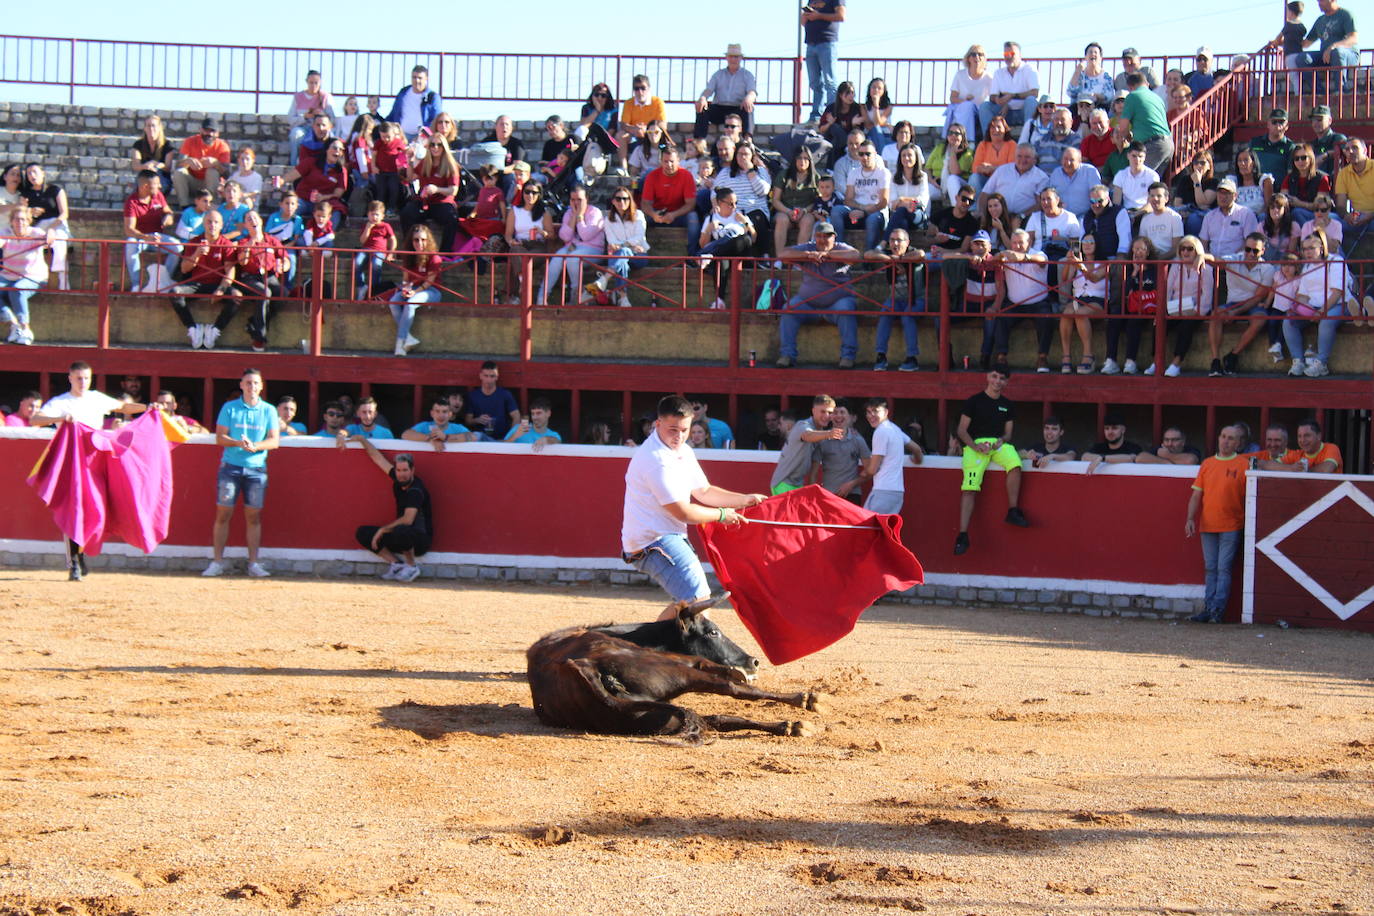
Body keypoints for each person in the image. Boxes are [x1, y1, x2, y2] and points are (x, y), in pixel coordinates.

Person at [621, 395, 764, 617]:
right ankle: (648, 648)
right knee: (695, 599)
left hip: (665, 536)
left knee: (696, 602)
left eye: (684, 430)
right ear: (657, 424)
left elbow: (703, 491)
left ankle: (650, 648)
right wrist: (722, 514)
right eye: (673, 429)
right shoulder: (655, 460)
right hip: (652, 540)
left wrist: (744, 499)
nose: (679, 436)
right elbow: (683, 511)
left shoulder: (683, 451)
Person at [29, 362, 146, 580]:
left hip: (95, 462)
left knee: (96, 510)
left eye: (86, 378)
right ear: (70, 378)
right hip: (71, 464)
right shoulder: (61, 402)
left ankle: (79, 554)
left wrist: (147, 408)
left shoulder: (96, 398)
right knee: (74, 511)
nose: (83, 382)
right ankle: (73, 562)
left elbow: (122, 407)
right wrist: (60, 419)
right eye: (79, 378)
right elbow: (35, 420)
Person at [203, 368, 278, 579]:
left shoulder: (268, 410)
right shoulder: (230, 407)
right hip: (231, 466)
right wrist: (238, 443)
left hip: (256, 468)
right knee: (223, 513)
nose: (252, 387)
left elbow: (274, 441)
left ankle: (253, 562)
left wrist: (255, 446)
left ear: (261, 386)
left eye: (255, 383)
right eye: (248, 383)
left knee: (253, 516)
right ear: (241, 385)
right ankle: (217, 561)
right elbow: (220, 438)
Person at [953, 366, 1029, 556]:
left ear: (1006, 382)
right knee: (969, 488)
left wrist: (1001, 441)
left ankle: (1013, 510)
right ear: (987, 377)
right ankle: (962, 535)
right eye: (994, 376)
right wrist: (974, 446)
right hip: (975, 445)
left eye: (1002, 378)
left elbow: (1008, 434)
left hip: (997, 444)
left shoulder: (1008, 404)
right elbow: (961, 431)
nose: (997, 381)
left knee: (1015, 464)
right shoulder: (974, 401)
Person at [1184, 425, 1248, 624]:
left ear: (1238, 443)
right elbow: (1196, 494)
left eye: (1231, 438)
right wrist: (1190, 518)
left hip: (1232, 524)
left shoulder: (1243, 464)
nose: (1225, 441)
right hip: (1208, 524)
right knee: (1212, 567)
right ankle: (1210, 608)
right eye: (1223, 436)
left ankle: (1217, 609)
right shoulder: (1208, 463)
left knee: (1222, 568)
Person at [777, 222, 861, 369]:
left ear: (834, 237)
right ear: (814, 237)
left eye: (827, 236)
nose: (822, 240)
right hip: (807, 303)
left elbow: (856, 255)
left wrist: (828, 255)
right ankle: (787, 355)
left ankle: (848, 356)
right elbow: (782, 254)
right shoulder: (808, 247)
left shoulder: (841, 247)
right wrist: (808, 255)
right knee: (788, 308)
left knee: (846, 309)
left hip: (838, 302)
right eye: (819, 236)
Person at [348, 437, 432, 583]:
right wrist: (362, 439)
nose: (401, 474)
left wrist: (383, 530)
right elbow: (378, 459)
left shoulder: (415, 490)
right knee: (363, 532)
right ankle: (397, 564)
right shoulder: (399, 479)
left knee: (401, 529)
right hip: (401, 537)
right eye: (398, 470)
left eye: (405, 470)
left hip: (419, 540)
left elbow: (408, 519)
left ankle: (411, 566)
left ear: (412, 470)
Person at [1206, 232, 1279, 376]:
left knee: (1260, 320)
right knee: (1215, 315)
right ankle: (1215, 360)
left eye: (1255, 250)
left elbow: (1258, 298)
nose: (1251, 253)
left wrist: (1235, 312)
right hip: (1232, 303)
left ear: (1263, 251)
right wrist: (1202, 256)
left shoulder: (1268, 269)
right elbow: (1215, 259)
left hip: (1253, 305)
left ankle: (1233, 355)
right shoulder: (1234, 259)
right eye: (1248, 249)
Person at [168, 209, 237, 350]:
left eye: (216, 222)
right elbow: (184, 269)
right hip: (197, 283)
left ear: (221, 225)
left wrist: (221, 289)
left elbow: (230, 270)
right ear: (204, 224)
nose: (212, 225)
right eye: (209, 222)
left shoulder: (226, 244)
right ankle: (192, 329)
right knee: (174, 292)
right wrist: (196, 254)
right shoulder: (194, 242)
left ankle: (215, 331)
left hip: (217, 284)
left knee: (236, 296)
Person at [1285, 231, 1347, 378]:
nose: (1308, 252)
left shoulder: (1336, 261)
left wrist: (1321, 312)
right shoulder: (1306, 267)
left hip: (1338, 305)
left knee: (1326, 321)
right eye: (1305, 249)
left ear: (1321, 248)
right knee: (1288, 321)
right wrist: (1295, 308)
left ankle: (1321, 364)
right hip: (1313, 308)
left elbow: (1337, 292)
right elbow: (1303, 295)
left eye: (1311, 248)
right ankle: (1298, 361)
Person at [993, 228, 1055, 372]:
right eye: (1014, 243)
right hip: (1014, 303)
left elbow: (1041, 261)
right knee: (1000, 318)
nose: (1017, 246)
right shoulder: (1008, 255)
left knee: (1047, 318)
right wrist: (1001, 255)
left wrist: (1022, 257)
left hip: (1039, 302)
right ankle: (1001, 357)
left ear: (1029, 242)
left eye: (1021, 242)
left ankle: (1042, 357)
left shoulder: (1038, 253)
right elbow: (994, 259)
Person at [866, 228, 925, 372]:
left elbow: (921, 254)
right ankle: (881, 356)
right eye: (892, 240)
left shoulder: (913, 253)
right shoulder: (889, 254)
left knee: (907, 316)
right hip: (895, 300)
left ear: (907, 242)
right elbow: (868, 254)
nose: (895, 243)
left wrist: (900, 260)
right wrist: (890, 259)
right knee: (884, 314)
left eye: (899, 240)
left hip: (916, 300)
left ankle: (912, 358)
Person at [0, 207, 57, 345]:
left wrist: (50, 232)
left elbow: (49, 239)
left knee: (17, 290)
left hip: (33, 276)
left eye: (23, 219)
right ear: (11, 221)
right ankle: (13, 324)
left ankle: (25, 328)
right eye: (17, 219)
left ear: (29, 221)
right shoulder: (6, 232)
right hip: (8, 275)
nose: (20, 222)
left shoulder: (35, 233)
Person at [539, 185, 604, 306]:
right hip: (574, 248)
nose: (576, 203)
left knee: (573, 258)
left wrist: (579, 216)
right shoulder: (569, 213)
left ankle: (576, 295)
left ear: (587, 199)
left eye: (579, 199)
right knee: (556, 259)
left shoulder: (595, 212)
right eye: (573, 200)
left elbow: (586, 236)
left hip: (593, 249)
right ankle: (542, 298)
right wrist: (573, 216)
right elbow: (564, 236)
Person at [697, 187, 756, 311]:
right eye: (730, 204)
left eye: (736, 203)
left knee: (744, 239)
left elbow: (753, 238)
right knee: (721, 260)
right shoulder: (712, 218)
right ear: (719, 203)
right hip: (724, 256)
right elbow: (703, 244)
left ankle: (711, 255)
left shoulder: (741, 215)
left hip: (741, 253)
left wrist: (745, 223)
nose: (734, 207)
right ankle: (719, 300)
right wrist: (708, 230)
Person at [235, 211, 286, 353]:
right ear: (245, 225)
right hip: (250, 277)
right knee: (264, 293)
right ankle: (260, 337)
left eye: (254, 218)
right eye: (248, 219)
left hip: (269, 276)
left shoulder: (272, 240)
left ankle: (254, 322)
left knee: (283, 293)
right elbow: (242, 262)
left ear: (261, 221)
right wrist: (249, 247)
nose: (252, 220)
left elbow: (284, 258)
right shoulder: (243, 242)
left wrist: (283, 265)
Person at [388, 224, 443, 357]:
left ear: (428, 240)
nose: (419, 243)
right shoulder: (409, 256)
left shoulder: (434, 257)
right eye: (416, 240)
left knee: (411, 303)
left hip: (431, 291)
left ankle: (399, 343)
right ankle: (409, 337)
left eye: (423, 240)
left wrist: (414, 292)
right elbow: (406, 279)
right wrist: (405, 288)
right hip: (414, 289)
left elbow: (429, 282)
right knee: (393, 302)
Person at [771, 395, 842, 494]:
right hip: (783, 483)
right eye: (822, 411)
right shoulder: (802, 425)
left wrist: (811, 492)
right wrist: (829, 434)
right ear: (813, 411)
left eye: (830, 412)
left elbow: (814, 468)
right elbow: (807, 435)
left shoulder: (821, 434)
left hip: (798, 485)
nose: (826, 416)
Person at [861, 398, 922, 514]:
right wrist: (917, 460)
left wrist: (865, 472)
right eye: (868, 412)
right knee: (886, 530)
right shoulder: (895, 429)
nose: (871, 415)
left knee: (869, 528)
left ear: (886, 412)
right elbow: (917, 450)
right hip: (897, 492)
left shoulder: (880, 432)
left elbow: (873, 469)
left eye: (875, 411)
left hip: (883, 490)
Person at [1058, 233, 1106, 373]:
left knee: (1080, 314)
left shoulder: (1103, 263)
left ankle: (1088, 355)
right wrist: (1069, 262)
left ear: (1097, 245)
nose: (1087, 244)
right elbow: (1065, 278)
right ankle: (1066, 356)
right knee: (1066, 313)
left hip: (1098, 299)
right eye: (1084, 241)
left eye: (1091, 241)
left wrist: (1082, 267)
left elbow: (1095, 278)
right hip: (1078, 299)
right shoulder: (1077, 261)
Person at [642, 147, 701, 251]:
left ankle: (692, 254)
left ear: (678, 160)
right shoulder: (652, 176)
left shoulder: (686, 176)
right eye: (665, 161)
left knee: (693, 217)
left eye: (672, 161)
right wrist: (654, 215)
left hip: (679, 215)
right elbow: (645, 203)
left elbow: (691, 204)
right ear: (661, 162)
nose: (669, 165)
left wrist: (673, 215)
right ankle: (641, 251)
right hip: (658, 214)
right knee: (639, 218)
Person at [812, 401, 871, 505]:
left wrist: (852, 484)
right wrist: (812, 496)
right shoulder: (822, 440)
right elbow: (814, 473)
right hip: (828, 495)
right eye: (835, 412)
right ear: (830, 416)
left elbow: (870, 471)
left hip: (852, 494)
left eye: (842, 412)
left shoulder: (858, 440)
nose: (838, 415)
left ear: (850, 417)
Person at [695, 44, 756, 139]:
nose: (733, 59)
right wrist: (702, 98)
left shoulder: (747, 75)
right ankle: (699, 140)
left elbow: (752, 92)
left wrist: (748, 98)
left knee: (748, 108)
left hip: (737, 109)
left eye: (736, 57)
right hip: (719, 109)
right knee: (702, 107)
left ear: (741, 58)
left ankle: (748, 139)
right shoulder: (718, 74)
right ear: (726, 58)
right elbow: (708, 90)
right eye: (731, 56)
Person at [801, 0, 846, 126]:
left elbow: (841, 16)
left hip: (827, 42)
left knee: (829, 81)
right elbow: (803, 22)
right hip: (811, 43)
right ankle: (816, 114)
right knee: (815, 82)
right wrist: (806, 15)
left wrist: (818, 15)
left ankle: (832, 113)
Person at [770, 146, 821, 256]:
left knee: (808, 220)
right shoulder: (784, 175)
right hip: (785, 211)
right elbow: (775, 200)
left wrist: (804, 211)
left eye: (805, 158)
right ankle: (780, 257)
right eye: (799, 158)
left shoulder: (815, 178)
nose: (802, 161)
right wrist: (788, 211)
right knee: (782, 219)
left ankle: (799, 258)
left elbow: (818, 201)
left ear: (810, 161)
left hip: (805, 212)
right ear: (794, 160)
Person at [1300, 0, 1359, 92]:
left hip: (1347, 55)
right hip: (1326, 57)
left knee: (1337, 52)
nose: (1319, 3)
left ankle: (1340, 91)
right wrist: (1285, 41)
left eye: (1322, 1)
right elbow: (1306, 43)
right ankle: (1319, 92)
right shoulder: (1320, 20)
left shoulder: (1345, 15)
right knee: (1302, 58)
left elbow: (1353, 38)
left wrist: (1333, 46)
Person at [979, 41, 1039, 130]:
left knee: (1031, 101)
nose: (1008, 56)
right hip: (1005, 113)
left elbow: (1034, 93)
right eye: (1006, 53)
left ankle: (1029, 138)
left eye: (1012, 53)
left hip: (1023, 112)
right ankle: (987, 141)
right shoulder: (998, 73)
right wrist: (1001, 102)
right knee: (985, 106)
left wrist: (1012, 96)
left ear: (1020, 55)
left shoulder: (1030, 69)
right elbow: (992, 96)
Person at [172, 118, 230, 208]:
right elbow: (177, 166)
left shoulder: (223, 146)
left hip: (210, 184)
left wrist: (216, 164)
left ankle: (211, 204)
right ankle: (184, 205)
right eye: (206, 130)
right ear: (201, 130)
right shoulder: (190, 141)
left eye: (213, 131)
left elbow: (227, 174)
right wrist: (187, 161)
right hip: (192, 182)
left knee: (212, 171)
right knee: (179, 172)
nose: (209, 134)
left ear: (218, 133)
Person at [980, 144, 1048, 219]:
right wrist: (983, 215)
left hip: (1024, 219)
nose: (1023, 160)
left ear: (1035, 160)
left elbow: (1040, 204)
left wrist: (1022, 216)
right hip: (997, 216)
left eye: (1027, 157)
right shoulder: (1002, 170)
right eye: (1019, 156)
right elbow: (985, 193)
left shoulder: (1042, 178)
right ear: (1014, 157)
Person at [944, 44, 993, 140]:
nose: (977, 57)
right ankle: (966, 140)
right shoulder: (960, 75)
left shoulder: (989, 78)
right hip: (961, 109)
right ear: (968, 58)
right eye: (974, 54)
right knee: (967, 106)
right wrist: (965, 101)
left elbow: (993, 98)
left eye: (980, 54)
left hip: (978, 112)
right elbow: (953, 98)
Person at [1334, 137, 1374, 255]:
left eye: (1355, 148)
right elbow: (1340, 205)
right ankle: (1341, 266)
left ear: (1365, 151)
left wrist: (1370, 215)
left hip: (1373, 216)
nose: (1350, 151)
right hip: (1356, 218)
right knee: (1329, 221)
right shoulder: (1343, 173)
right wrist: (1347, 216)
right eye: (1347, 149)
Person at [617, 75, 668, 167]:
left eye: (643, 88)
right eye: (636, 89)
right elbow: (624, 125)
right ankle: (624, 168)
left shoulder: (658, 102)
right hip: (635, 136)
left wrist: (646, 129)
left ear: (648, 89)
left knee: (659, 136)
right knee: (620, 135)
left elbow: (662, 124)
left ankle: (661, 167)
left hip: (652, 135)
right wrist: (635, 129)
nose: (640, 92)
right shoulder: (628, 103)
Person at [466, 360, 521, 441]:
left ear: (497, 377)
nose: (489, 380)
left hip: (502, 440)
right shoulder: (473, 396)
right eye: (486, 376)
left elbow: (516, 416)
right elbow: (468, 420)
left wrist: (510, 438)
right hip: (481, 440)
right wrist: (477, 420)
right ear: (480, 376)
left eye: (492, 376)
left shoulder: (505, 394)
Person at [385, 65, 442, 140]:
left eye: (420, 78)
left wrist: (425, 135)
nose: (417, 80)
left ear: (426, 79)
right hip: (401, 136)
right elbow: (394, 113)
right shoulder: (403, 93)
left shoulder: (432, 97)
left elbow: (436, 119)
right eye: (414, 77)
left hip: (422, 138)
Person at [404, 396, 477, 451]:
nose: (441, 415)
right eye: (437, 411)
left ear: (450, 414)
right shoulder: (424, 425)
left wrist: (446, 437)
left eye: (444, 411)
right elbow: (405, 434)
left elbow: (473, 437)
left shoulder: (457, 427)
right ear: (432, 413)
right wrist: (430, 439)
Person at [1048, 147, 1101, 219]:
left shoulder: (1090, 171)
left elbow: (1097, 196)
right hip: (1062, 218)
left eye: (1071, 160)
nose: (1068, 163)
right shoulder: (1056, 173)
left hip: (1086, 217)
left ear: (1079, 161)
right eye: (1065, 159)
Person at [129, 114, 175, 197]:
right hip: (144, 175)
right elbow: (135, 165)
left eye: (153, 126)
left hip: (162, 178)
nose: (151, 128)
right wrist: (146, 166)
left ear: (159, 128)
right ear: (145, 128)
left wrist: (155, 164)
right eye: (148, 126)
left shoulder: (167, 145)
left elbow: (168, 167)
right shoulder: (138, 144)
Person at [970, 115, 1016, 195]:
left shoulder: (1012, 145)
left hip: (1004, 181)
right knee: (974, 177)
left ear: (1005, 129)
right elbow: (975, 168)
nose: (996, 130)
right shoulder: (983, 145)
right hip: (986, 179)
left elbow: (1011, 168)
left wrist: (992, 168)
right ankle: (974, 207)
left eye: (999, 127)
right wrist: (984, 169)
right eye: (993, 127)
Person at [1249, 109, 1298, 182]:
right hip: (1257, 188)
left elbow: (1290, 173)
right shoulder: (1255, 143)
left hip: (1279, 189)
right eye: (1274, 122)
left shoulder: (1290, 147)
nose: (1278, 125)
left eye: (1281, 122)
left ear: (1287, 126)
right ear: (1268, 124)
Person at [1110, 142, 1160, 211]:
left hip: (1145, 212)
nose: (1137, 159)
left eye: (1140, 156)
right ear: (1128, 156)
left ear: (1144, 157)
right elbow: (1116, 202)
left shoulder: (1152, 176)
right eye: (1134, 156)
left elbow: (1152, 203)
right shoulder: (1120, 175)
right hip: (1126, 212)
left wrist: (1137, 214)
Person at [1137, 426, 1203, 465]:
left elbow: (1190, 461)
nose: (1169, 444)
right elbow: (1139, 458)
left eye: (1174, 440)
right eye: (1166, 440)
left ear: (1183, 442)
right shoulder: (1159, 449)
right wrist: (1166, 462)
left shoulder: (1191, 450)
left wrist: (1167, 455)